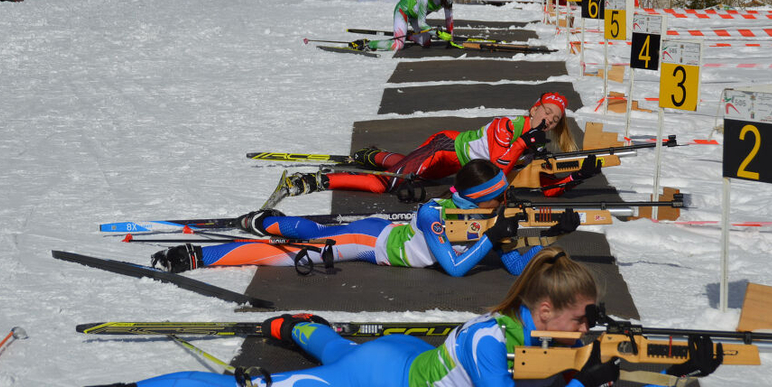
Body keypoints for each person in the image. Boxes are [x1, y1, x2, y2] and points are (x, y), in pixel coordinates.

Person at [55, 247, 725, 387]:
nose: (594, 330)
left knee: (336, 346)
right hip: (388, 381)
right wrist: (587, 380)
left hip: (408, 350)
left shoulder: (560, 344)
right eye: (587, 318)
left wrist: (673, 376)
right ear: (545, 311)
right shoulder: (497, 344)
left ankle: (299, 326)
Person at [149, 159, 578, 277]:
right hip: (369, 243)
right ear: (480, 200)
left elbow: (514, 262)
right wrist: (494, 237)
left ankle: (266, 219)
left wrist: (544, 237)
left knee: (315, 231)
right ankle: (201, 254)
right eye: (499, 199)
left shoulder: (486, 218)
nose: (505, 205)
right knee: (293, 252)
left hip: (381, 231)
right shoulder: (434, 214)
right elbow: (455, 268)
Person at [283, 91, 599, 198]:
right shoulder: (507, 126)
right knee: (388, 186)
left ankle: (372, 155)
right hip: (443, 148)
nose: (549, 119)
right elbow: (497, 169)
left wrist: (574, 177)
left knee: (406, 169)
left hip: (451, 166)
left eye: (556, 119)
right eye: (546, 112)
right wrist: (523, 144)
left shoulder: (532, 142)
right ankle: (317, 181)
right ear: (533, 109)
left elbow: (545, 188)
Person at [352, 0, 454, 53]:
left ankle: (406, 35)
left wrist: (451, 37)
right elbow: (422, 23)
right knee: (398, 45)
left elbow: (449, 18)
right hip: (403, 11)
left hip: (415, 16)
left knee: (426, 42)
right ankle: (368, 44)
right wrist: (438, 33)